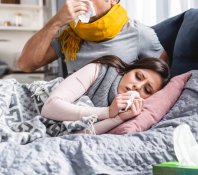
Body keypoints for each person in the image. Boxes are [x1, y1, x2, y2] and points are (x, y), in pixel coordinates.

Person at [17, 0, 168, 76]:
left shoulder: (138, 33)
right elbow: (25, 65)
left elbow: (162, 76)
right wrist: (56, 21)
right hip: (69, 108)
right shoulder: (69, 33)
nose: (82, 1)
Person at [41, 55, 170, 135]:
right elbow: (49, 107)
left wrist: (117, 119)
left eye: (147, 90)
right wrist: (107, 112)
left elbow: (76, 136)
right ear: (128, 70)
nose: (138, 86)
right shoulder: (99, 70)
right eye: (138, 76)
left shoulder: (130, 112)